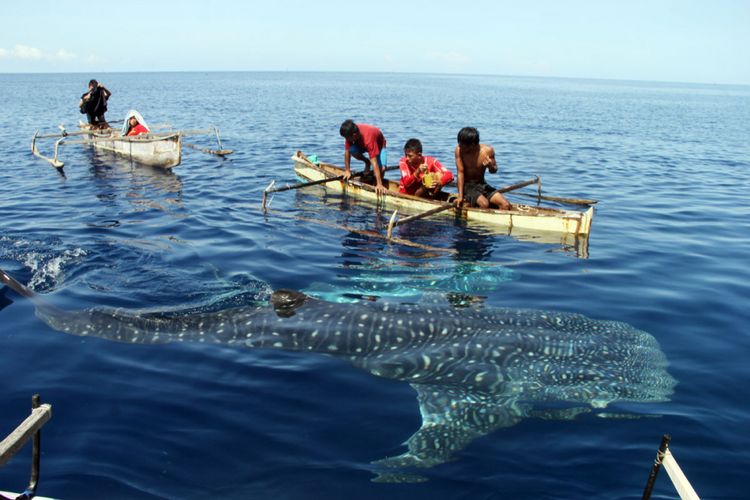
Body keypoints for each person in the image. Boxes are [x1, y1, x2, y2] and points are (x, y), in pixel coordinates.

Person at [455, 127, 511, 210]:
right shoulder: (459, 150)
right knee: (484, 204)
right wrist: (460, 196)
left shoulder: (488, 151)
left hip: (481, 184)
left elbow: (494, 170)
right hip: (467, 186)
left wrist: (490, 166)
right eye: (459, 143)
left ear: (472, 145)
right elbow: (460, 173)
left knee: (505, 205)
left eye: (462, 144)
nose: (459, 145)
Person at [339, 119, 387, 195]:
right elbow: (347, 152)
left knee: (382, 168)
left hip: (379, 145)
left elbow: (374, 162)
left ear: (354, 135)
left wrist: (379, 184)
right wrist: (347, 170)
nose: (346, 140)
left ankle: (377, 184)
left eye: (347, 138)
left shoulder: (369, 139)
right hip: (361, 144)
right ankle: (367, 162)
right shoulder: (349, 133)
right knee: (352, 150)